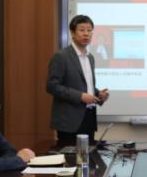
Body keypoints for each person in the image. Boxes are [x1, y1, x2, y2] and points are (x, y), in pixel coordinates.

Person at [46, 14, 110, 145]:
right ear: (72, 33)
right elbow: (52, 86)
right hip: (69, 121)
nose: (86, 34)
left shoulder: (90, 57)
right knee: (70, 156)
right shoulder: (61, 56)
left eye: (89, 30)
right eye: (82, 30)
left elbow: (85, 85)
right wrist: (80, 96)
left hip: (89, 117)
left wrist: (98, 94)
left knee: (89, 155)